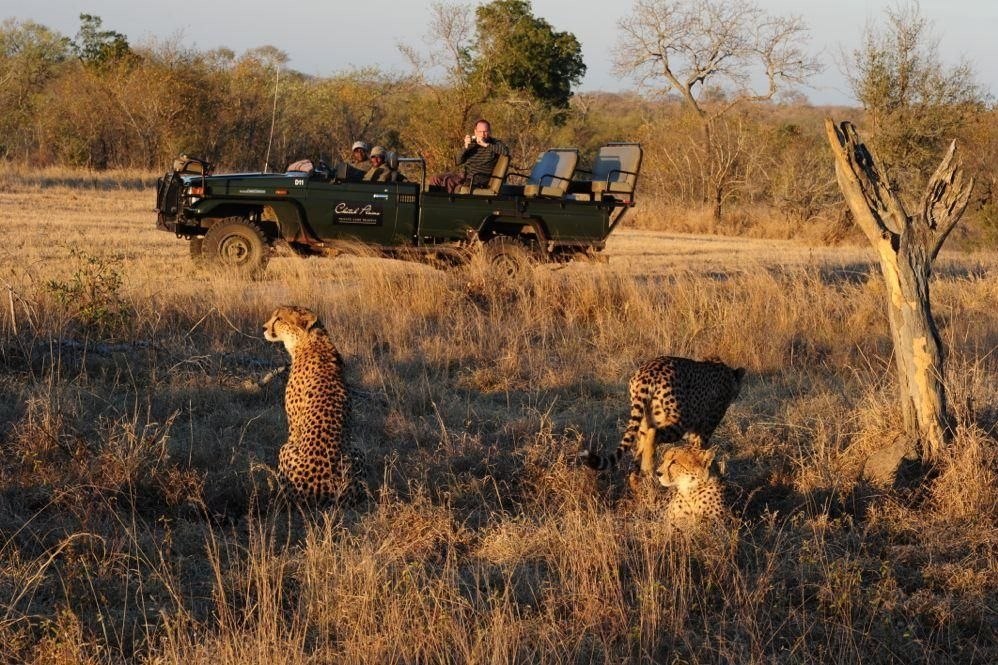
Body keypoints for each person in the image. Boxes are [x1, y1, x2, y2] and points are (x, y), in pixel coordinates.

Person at [430, 119, 509, 193]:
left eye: (485, 132)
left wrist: (485, 145)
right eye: (480, 132)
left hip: (478, 178)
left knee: (449, 181)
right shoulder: (472, 143)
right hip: (465, 174)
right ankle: (433, 203)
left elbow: (506, 152)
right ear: (475, 132)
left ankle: (447, 204)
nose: (482, 135)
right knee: (436, 179)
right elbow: (458, 161)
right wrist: (465, 147)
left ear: (489, 132)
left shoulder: (494, 143)